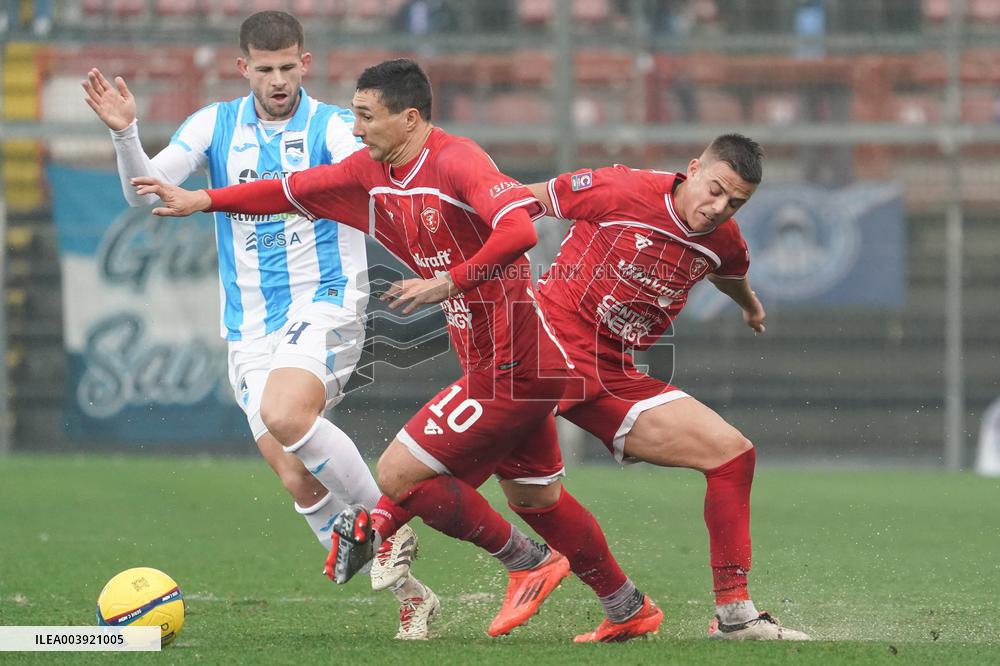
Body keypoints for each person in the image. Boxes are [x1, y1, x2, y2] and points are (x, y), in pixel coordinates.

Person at [132, 58, 663, 643]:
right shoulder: (370, 170)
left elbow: (519, 231)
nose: (355, 129)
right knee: (539, 500)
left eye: (365, 116)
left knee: (401, 474)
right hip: (494, 362)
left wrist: (449, 280)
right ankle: (627, 606)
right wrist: (202, 200)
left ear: (409, 119)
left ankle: (524, 561)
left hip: (516, 366)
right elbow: (289, 191)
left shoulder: (457, 159)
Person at [82, 12, 437, 640]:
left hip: (327, 300)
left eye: (287, 66)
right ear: (243, 67)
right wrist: (125, 134)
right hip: (248, 325)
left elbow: (370, 183)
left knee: (286, 414)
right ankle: (413, 596)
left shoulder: (333, 127)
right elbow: (149, 192)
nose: (277, 80)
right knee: (296, 472)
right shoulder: (214, 124)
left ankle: (387, 523)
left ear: (306, 62)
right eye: (264, 69)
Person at [518, 134, 811, 640]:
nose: (718, 208)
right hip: (547, 348)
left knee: (731, 455)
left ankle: (734, 615)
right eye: (715, 190)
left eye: (735, 203)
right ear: (693, 169)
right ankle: (389, 529)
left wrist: (749, 304)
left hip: (613, 373)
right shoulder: (620, 188)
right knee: (485, 472)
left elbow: (730, 271)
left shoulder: (725, 240)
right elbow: (528, 199)